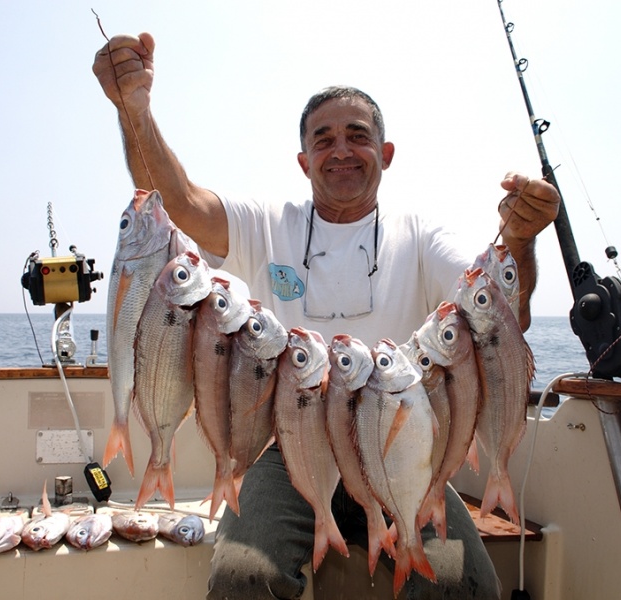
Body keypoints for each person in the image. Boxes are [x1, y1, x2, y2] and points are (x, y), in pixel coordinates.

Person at [94, 32, 560, 600]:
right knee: (244, 577)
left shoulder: (423, 236)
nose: (341, 150)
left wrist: (518, 239)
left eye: (357, 137)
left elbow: (501, 314)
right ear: (303, 159)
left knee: (465, 588)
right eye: (324, 139)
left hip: (401, 445)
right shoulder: (263, 223)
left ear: (385, 154)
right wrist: (134, 111)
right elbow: (180, 201)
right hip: (289, 444)